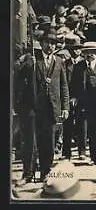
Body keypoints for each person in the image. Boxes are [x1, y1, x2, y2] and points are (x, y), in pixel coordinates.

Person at [15, 29, 70, 185]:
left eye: (53, 43)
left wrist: (65, 107)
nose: (50, 46)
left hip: (51, 108)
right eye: (48, 42)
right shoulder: (33, 59)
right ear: (42, 43)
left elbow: (63, 86)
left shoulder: (59, 61)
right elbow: (19, 77)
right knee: (30, 143)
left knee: (49, 143)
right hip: (33, 107)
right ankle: (27, 174)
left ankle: (45, 172)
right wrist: (25, 63)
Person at [61, 34, 85, 161]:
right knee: (67, 126)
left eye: (79, 48)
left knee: (81, 125)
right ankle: (66, 152)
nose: (77, 50)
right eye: (74, 48)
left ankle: (82, 150)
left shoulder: (84, 63)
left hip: (81, 99)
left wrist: (78, 97)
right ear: (70, 50)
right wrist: (69, 99)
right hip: (68, 99)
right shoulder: (65, 64)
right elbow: (64, 82)